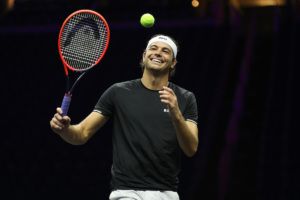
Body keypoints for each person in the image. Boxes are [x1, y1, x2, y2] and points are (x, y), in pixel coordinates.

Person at [50, 34, 199, 200]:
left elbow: (191, 148)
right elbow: (82, 133)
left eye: (166, 51)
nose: (158, 53)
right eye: (153, 48)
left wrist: (176, 114)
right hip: (126, 192)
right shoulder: (118, 92)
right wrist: (64, 129)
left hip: (166, 193)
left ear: (173, 63)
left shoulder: (185, 98)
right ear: (144, 55)